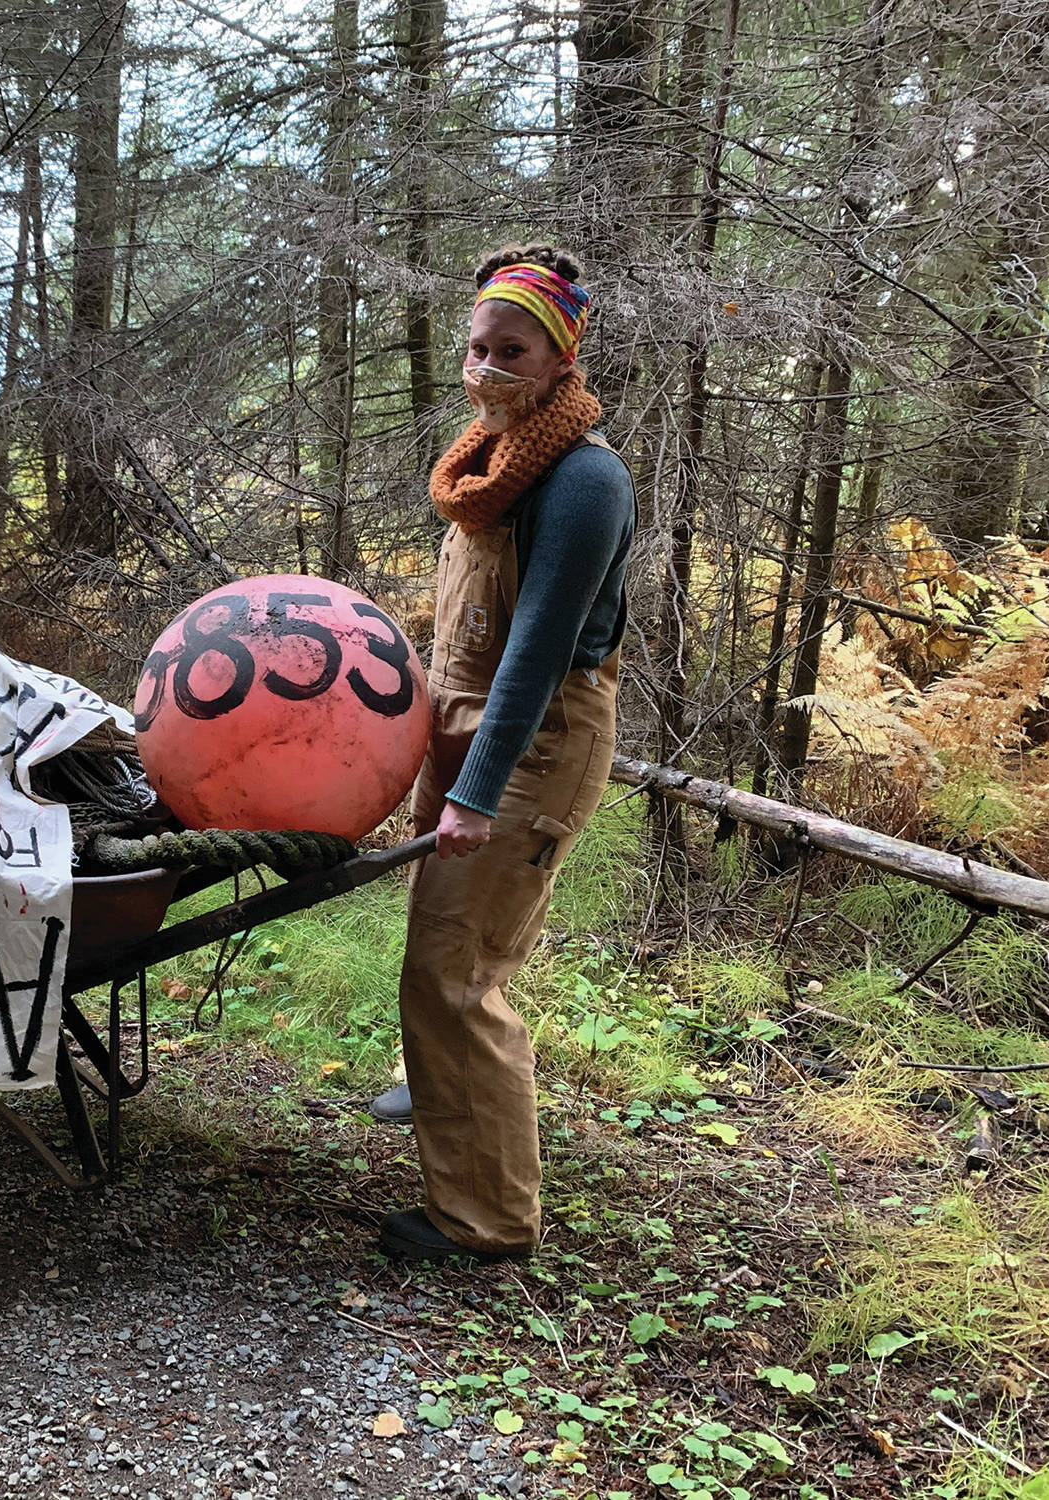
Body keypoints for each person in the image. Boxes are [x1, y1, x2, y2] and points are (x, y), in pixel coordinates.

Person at [372, 245, 635, 1262]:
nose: (486, 364)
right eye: (477, 345)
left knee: (456, 971)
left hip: (533, 739)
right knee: (444, 948)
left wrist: (475, 793)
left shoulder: (580, 478)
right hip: (462, 724)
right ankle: (447, 1092)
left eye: (511, 348)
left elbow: (535, 651)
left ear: (559, 354)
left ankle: (482, 1221)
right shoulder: (485, 459)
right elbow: (458, 634)